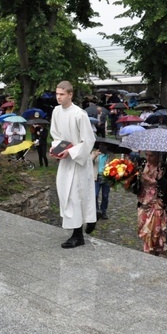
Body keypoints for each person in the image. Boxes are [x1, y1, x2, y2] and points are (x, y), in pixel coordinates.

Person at [50, 80, 97, 248]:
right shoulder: (56, 111)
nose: (58, 97)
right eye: (57, 94)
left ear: (70, 94)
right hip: (65, 162)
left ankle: (78, 234)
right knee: (66, 195)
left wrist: (70, 151)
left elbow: (88, 140)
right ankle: (87, 221)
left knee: (76, 196)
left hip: (78, 162)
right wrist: (55, 148)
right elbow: (55, 135)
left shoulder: (80, 114)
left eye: (62, 94)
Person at [134, 151, 167, 255]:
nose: (148, 158)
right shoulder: (142, 164)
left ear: (158, 156)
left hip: (156, 206)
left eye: (152, 155)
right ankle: (150, 252)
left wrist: (160, 178)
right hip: (143, 203)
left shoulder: (165, 169)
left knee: (152, 233)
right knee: (143, 230)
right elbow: (135, 182)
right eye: (146, 154)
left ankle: (150, 254)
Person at [92, 148, 112, 220]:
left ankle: (103, 212)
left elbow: (114, 166)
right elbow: (89, 162)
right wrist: (95, 155)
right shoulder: (94, 152)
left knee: (105, 196)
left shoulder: (109, 155)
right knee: (95, 195)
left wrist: (109, 165)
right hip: (96, 177)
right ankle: (97, 211)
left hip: (106, 178)